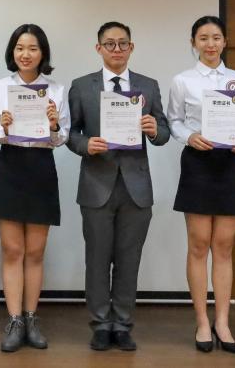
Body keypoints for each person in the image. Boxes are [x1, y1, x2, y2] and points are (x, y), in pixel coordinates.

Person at [66, 21, 169, 352]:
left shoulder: (148, 86)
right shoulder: (82, 86)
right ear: (98, 48)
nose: (116, 49)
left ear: (131, 47)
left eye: (123, 43)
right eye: (109, 44)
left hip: (136, 187)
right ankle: (100, 324)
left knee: (129, 260)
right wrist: (85, 145)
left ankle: (122, 324)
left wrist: (154, 129)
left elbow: (164, 133)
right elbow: (69, 133)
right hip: (96, 183)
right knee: (97, 260)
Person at [167, 16, 235, 353]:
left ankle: (222, 322)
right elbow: (174, 120)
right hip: (198, 163)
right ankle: (202, 322)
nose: (210, 44)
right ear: (193, 42)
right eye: (203, 38)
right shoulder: (183, 81)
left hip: (229, 163)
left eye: (216, 37)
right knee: (198, 244)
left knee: (223, 246)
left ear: (225, 42)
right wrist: (189, 136)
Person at [0, 24, 69, 353]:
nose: (26, 54)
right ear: (12, 52)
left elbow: (61, 138)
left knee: (34, 252)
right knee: (12, 251)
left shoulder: (56, 89)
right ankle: (14, 320)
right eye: (20, 48)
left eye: (32, 48)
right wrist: (1, 127)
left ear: (42, 53)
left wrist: (54, 124)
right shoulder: (0, 88)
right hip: (11, 167)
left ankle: (32, 319)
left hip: (41, 168)